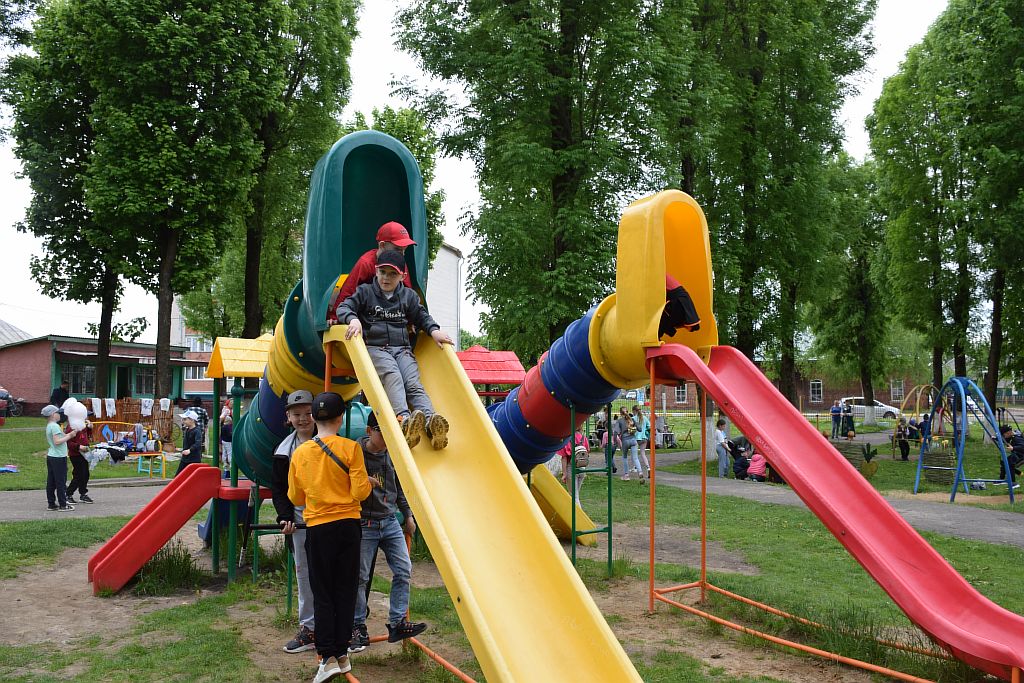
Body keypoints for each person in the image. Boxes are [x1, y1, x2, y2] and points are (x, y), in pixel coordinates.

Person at [288, 392, 372, 682]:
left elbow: (296, 496)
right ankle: (342, 652)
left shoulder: (300, 453)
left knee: (322, 593)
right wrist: (361, 485)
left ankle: (327, 658)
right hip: (349, 526)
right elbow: (360, 492)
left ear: (313, 418)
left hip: (319, 527)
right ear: (341, 418)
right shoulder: (351, 448)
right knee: (346, 590)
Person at [335, 250, 452, 450]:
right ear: (376, 271)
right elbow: (343, 307)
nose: (386, 278)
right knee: (393, 376)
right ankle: (404, 420)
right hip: (376, 348)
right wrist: (353, 319)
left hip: (402, 349)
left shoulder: (408, 296)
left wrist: (434, 331)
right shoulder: (365, 292)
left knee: (413, 384)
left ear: (402, 276)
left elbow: (421, 316)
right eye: (383, 272)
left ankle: (431, 423)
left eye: (392, 274)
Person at [349, 411, 427, 654]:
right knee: (360, 577)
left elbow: (400, 487)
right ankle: (357, 625)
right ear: (369, 431)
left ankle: (397, 623)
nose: (386, 438)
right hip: (365, 522)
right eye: (382, 432)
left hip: (389, 520)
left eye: (391, 433)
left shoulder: (392, 453)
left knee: (404, 570)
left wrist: (408, 515)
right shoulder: (355, 454)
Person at [273, 390, 318, 654]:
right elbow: (279, 489)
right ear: (288, 417)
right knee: (304, 574)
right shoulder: (283, 451)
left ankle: (341, 626)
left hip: (331, 516)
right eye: (297, 414)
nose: (303, 419)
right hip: (301, 518)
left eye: (308, 413)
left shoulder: (331, 442)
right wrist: (285, 517)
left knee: (335, 572)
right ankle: (309, 628)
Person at [335, 221, 418, 307]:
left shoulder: (399, 261)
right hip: (366, 310)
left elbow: (408, 296)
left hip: (391, 310)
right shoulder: (366, 263)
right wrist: (337, 314)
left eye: (404, 250)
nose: (402, 254)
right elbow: (347, 293)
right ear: (382, 245)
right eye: (398, 249)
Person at [42, 404, 77, 511]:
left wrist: (69, 433)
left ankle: (51, 504)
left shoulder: (50, 425)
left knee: (51, 481)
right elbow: (57, 441)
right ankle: (63, 504)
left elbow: (61, 437)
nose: (60, 415)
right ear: (53, 414)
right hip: (58, 457)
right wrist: (70, 436)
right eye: (58, 413)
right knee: (60, 481)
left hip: (52, 456)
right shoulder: (54, 426)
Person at [65, 417, 94, 504]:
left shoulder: (82, 425)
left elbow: (85, 436)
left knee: (85, 474)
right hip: (75, 454)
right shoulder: (71, 427)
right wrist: (78, 447)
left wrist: (89, 428)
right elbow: (68, 442)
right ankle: (68, 494)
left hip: (84, 453)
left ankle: (83, 494)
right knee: (78, 475)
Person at [557, 429, 590, 499]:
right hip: (582, 468)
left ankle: (577, 506)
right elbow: (587, 453)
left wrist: (564, 474)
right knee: (576, 494)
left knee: (573, 495)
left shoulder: (567, 439)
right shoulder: (583, 437)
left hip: (571, 468)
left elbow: (564, 458)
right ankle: (573, 506)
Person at [617, 407, 643, 483]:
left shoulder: (620, 421)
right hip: (633, 440)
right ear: (628, 412)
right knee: (635, 458)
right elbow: (640, 429)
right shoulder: (632, 419)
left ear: (620, 413)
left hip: (625, 440)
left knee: (624, 457)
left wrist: (616, 441)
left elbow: (616, 432)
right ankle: (640, 472)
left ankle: (626, 475)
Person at [175, 410, 204, 477]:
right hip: (185, 458)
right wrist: (182, 449)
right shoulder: (187, 429)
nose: (183, 421)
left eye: (185, 419)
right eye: (183, 419)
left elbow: (198, 443)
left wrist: (190, 450)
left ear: (192, 420)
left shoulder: (197, 431)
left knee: (192, 477)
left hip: (193, 459)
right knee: (178, 476)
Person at [632, 405, 651, 480]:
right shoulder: (645, 418)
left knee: (635, 454)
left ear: (634, 411)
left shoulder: (633, 418)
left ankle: (636, 468)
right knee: (643, 453)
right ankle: (648, 467)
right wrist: (646, 432)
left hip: (636, 438)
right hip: (644, 437)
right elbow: (649, 427)